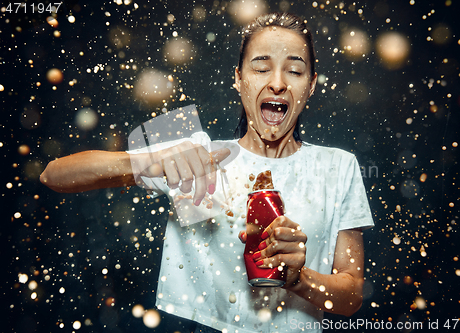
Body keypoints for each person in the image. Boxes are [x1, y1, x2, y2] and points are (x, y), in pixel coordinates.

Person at [40, 12, 374, 333]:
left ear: (312, 85)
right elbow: (54, 176)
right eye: (261, 68)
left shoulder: (338, 166)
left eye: (295, 72)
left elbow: (351, 297)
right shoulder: (198, 155)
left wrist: (298, 277)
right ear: (238, 78)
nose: (277, 83)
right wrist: (149, 160)